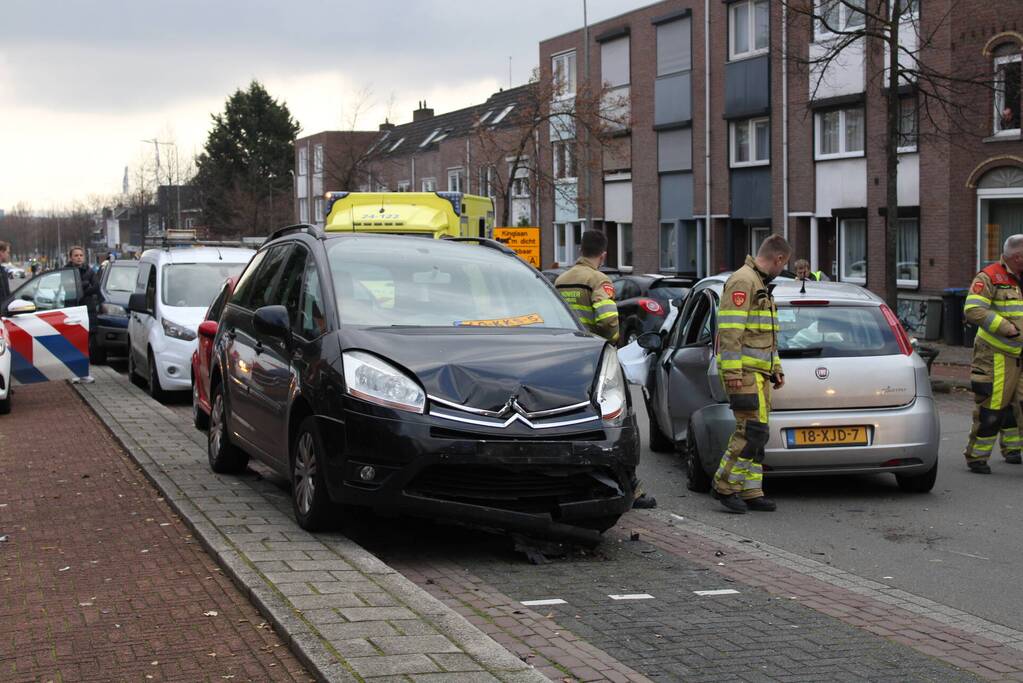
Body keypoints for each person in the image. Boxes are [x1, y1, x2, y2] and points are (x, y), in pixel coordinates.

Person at [555, 230, 656, 510]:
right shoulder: (598, 280)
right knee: (621, 421)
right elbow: (609, 320)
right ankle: (630, 488)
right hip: (595, 362)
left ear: (580, 249)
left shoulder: (562, 280)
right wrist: (611, 342)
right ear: (604, 255)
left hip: (565, 362)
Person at [713, 234, 792, 513]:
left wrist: (776, 368)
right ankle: (725, 486)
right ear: (778, 259)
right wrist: (732, 372)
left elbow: (766, 337)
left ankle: (750, 490)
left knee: (759, 434)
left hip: (759, 374)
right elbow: (730, 332)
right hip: (744, 374)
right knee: (751, 432)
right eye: (784, 264)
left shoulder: (759, 283)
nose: (783, 269)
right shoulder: (743, 281)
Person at [962, 235, 1023, 473]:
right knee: (993, 407)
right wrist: (1006, 328)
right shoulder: (989, 277)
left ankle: (1013, 448)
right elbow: (973, 309)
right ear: (1018, 257)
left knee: (1018, 404)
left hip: (1020, 352)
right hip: (997, 354)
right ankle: (977, 456)